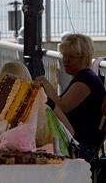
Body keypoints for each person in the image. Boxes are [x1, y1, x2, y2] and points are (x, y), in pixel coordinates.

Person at [37, 33, 106, 162]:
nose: (65, 61)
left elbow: (62, 107)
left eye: (71, 57)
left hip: (82, 147)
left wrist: (45, 83)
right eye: (64, 55)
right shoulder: (84, 77)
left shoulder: (85, 80)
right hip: (78, 142)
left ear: (83, 58)